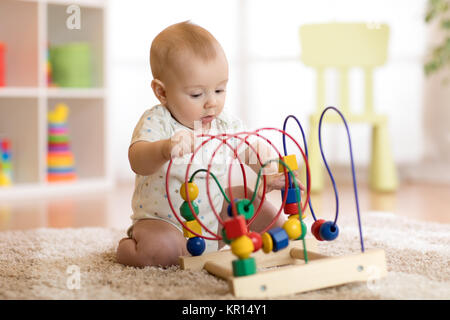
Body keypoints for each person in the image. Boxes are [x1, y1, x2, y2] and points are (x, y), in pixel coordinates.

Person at [116, 21, 304, 268]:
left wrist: (266, 172)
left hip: (216, 215)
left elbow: (248, 150)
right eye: (197, 94)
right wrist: (163, 148)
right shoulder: (157, 121)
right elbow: (137, 160)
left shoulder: (224, 122)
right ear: (162, 92)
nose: (212, 103)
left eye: (219, 90)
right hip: (166, 222)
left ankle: (238, 238)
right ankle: (127, 248)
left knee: (267, 219)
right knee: (161, 252)